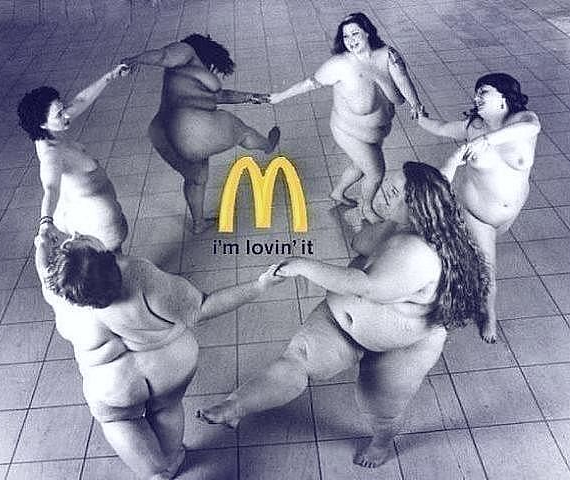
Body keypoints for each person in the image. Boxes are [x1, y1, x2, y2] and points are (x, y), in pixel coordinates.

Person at [198, 161, 490, 469]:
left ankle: (381, 443)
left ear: (418, 207)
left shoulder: (420, 255)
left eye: (394, 192)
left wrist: (302, 265)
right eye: (388, 186)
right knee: (294, 361)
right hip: (337, 325)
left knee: (378, 404)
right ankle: (236, 406)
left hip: (402, 347)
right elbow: (360, 243)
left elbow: (364, 285)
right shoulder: (402, 226)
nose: (384, 192)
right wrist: (386, 219)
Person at [34, 229, 283, 480]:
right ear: (107, 260)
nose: (75, 234)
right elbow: (202, 308)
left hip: (113, 387)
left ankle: (156, 473)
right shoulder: (139, 275)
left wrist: (43, 246)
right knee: (167, 408)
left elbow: (47, 271)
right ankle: (173, 459)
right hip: (169, 371)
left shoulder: (58, 291)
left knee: (119, 422)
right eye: (77, 241)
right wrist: (259, 285)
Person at [417, 72, 540, 343]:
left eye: (483, 91)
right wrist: (420, 117)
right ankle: (488, 316)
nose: (476, 97)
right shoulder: (473, 127)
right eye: (476, 93)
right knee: (487, 271)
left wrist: (487, 141)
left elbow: (531, 128)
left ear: (504, 97)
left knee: (478, 257)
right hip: (477, 213)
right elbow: (441, 127)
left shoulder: (523, 121)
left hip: (510, 212)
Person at [269, 12, 423, 223]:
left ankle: (338, 193)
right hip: (349, 132)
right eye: (345, 36)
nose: (350, 40)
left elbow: (402, 80)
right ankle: (366, 209)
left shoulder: (388, 55)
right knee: (376, 173)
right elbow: (309, 84)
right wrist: (279, 96)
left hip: (376, 131)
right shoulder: (339, 65)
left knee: (360, 166)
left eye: (355, 34)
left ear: (367, 32)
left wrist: (415, 103)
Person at [121, 34, 280, 234]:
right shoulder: (186, 50)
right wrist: (134, 59)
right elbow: (163, 56)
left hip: (162, 133)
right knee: (243, 131)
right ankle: (268, 145)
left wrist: (254, 97)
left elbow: (219, 96)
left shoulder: (181, 76)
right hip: (192, 129)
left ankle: (198, 224)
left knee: (196, 178)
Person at [17, 65, 130, 252]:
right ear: (42, 124)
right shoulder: (51, 153)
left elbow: (81, 100)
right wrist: (45, 222)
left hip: (83, 213)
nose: (67, 114)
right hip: (94, 223)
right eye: (59, 114)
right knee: (113, 262)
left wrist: (110, 76)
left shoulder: (51, 129)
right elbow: (50, 188)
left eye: (63, 108)